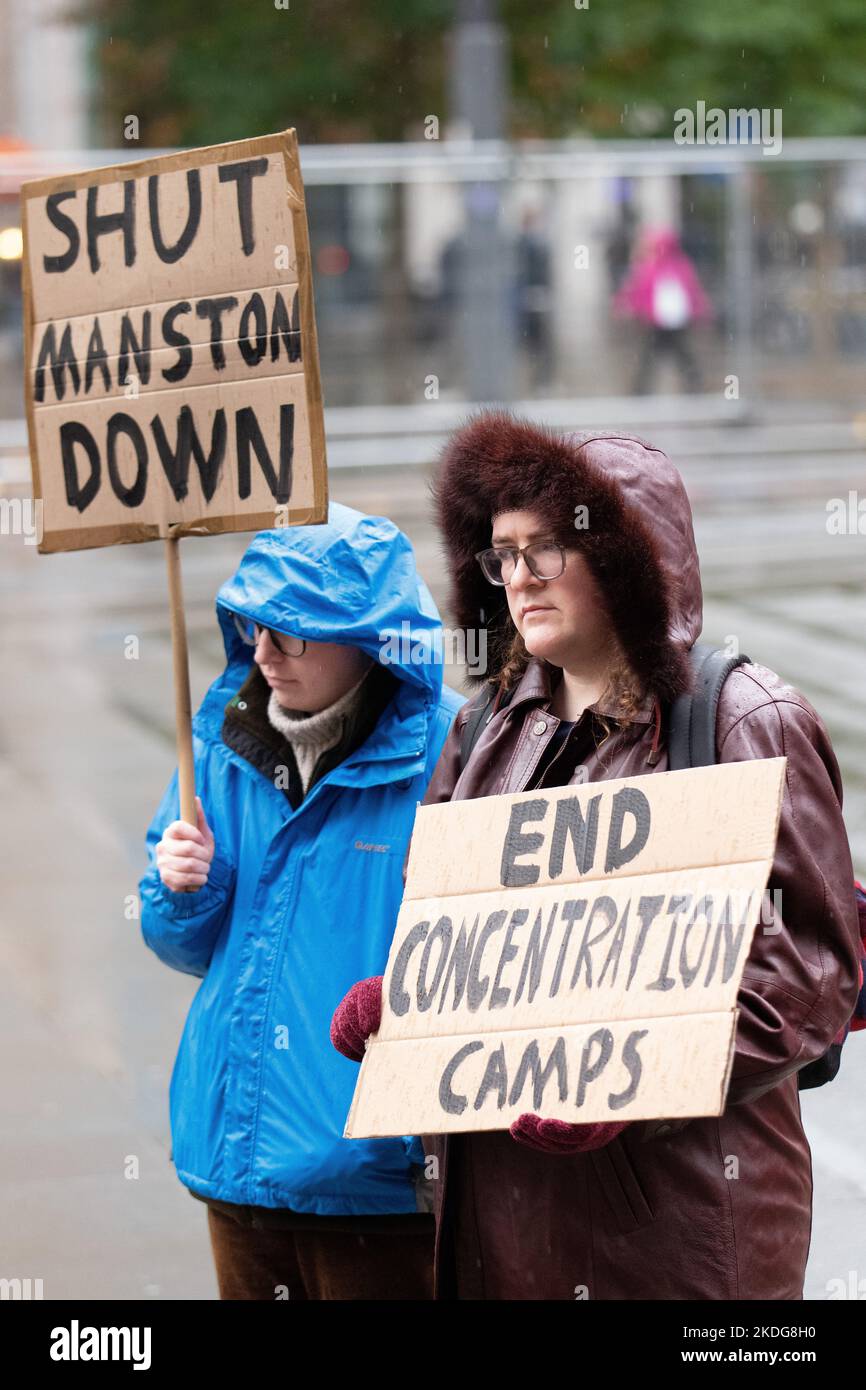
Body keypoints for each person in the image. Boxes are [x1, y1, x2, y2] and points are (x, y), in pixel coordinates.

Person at [331, 412, 862, 1300]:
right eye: (502, 554)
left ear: (625, 556)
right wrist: (407, 1008)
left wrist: (635, 1082)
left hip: (673, 1239)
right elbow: (461, 937)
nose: (518, 579)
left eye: (547, 550)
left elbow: (810, 978)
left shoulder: (745, 722)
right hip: (500, 1227)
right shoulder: (482, 729)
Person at [139, 502, 464, 1300]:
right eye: (253, 625)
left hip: (375, 1177)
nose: (265, 650)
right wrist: (184, 889)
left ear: (369, 640)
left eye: (292, 630)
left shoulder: (454, 751)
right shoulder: (217, 744)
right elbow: (178, 943)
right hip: (232, 1159)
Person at [613, 226, 711, 393]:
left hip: (662, 322)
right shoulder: (677, 267)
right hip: (665, 321)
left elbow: (636, 291)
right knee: (675, 354)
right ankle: (691, 384)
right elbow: (692, 291)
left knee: (659, 356)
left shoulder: (654, 268)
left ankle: (642, 390)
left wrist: (625, 306)